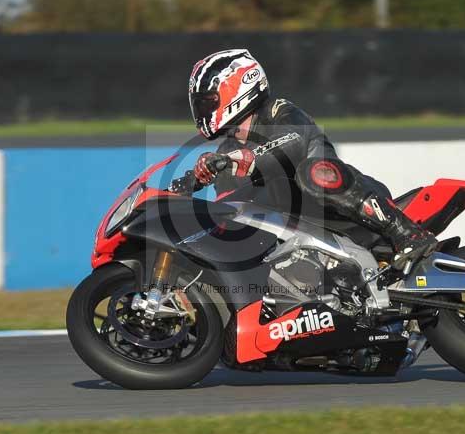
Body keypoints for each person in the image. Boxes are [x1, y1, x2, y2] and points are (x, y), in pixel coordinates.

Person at [187, 49, 437, 270]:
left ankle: (406, 233)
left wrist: (248, 157)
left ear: (238, 88)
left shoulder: (279, 111)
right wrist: (188, 185)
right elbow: (230, 208)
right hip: (299, 237)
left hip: (341, 207)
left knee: (314, 172)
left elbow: (294, 140)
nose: (202, 111)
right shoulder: (227, 151)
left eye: (208, 102)